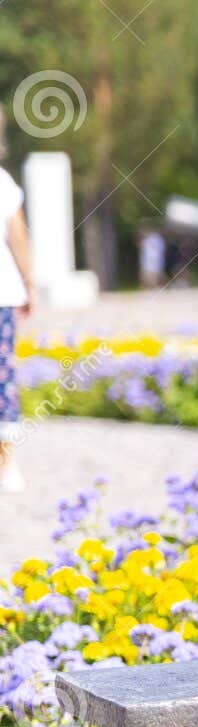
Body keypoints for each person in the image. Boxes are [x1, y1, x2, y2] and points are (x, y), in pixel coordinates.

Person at [0, 115, 33, 495]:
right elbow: (18, 237)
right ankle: (5, 462)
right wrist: (29, 285)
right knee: (3, 375)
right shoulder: (4, 183)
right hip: (4, 292)